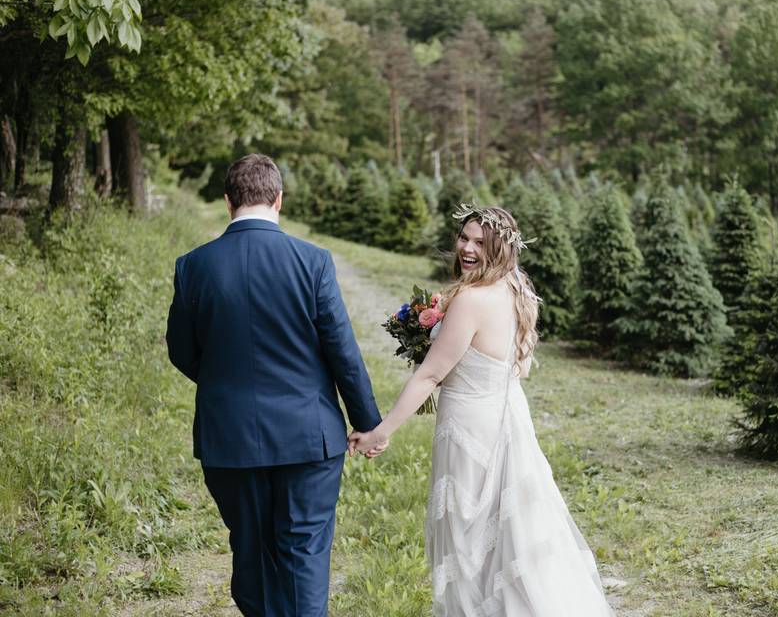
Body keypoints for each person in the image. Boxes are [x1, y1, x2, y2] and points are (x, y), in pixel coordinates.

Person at [350, 206, 613, 616]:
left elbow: (430, 376)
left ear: (500, 248)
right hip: (507, 420)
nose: (467, 248)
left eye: (480, 242)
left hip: (469, 430)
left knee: (469, 542)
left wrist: (381, 432)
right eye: (464, 238)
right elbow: (519, 365)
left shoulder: (470, 300)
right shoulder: (518, 288)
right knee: (510, 537)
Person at [165, 153, 381, 617]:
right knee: (304, 554)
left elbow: (181, 351)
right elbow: (342, 351)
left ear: (228, 202)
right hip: (309, 436)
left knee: (251, 551)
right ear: (279, 199)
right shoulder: (313, 262)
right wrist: (367, 422)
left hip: (229, 437)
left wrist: (226, 380)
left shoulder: (193, 267)